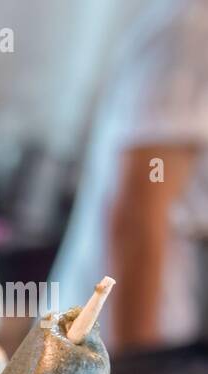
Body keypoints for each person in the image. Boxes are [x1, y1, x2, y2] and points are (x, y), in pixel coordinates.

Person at [51, 0, 208, 352]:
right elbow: (138, 216)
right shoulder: (195, 27)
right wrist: (139, 373)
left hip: (169, 324)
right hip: (119, 338)